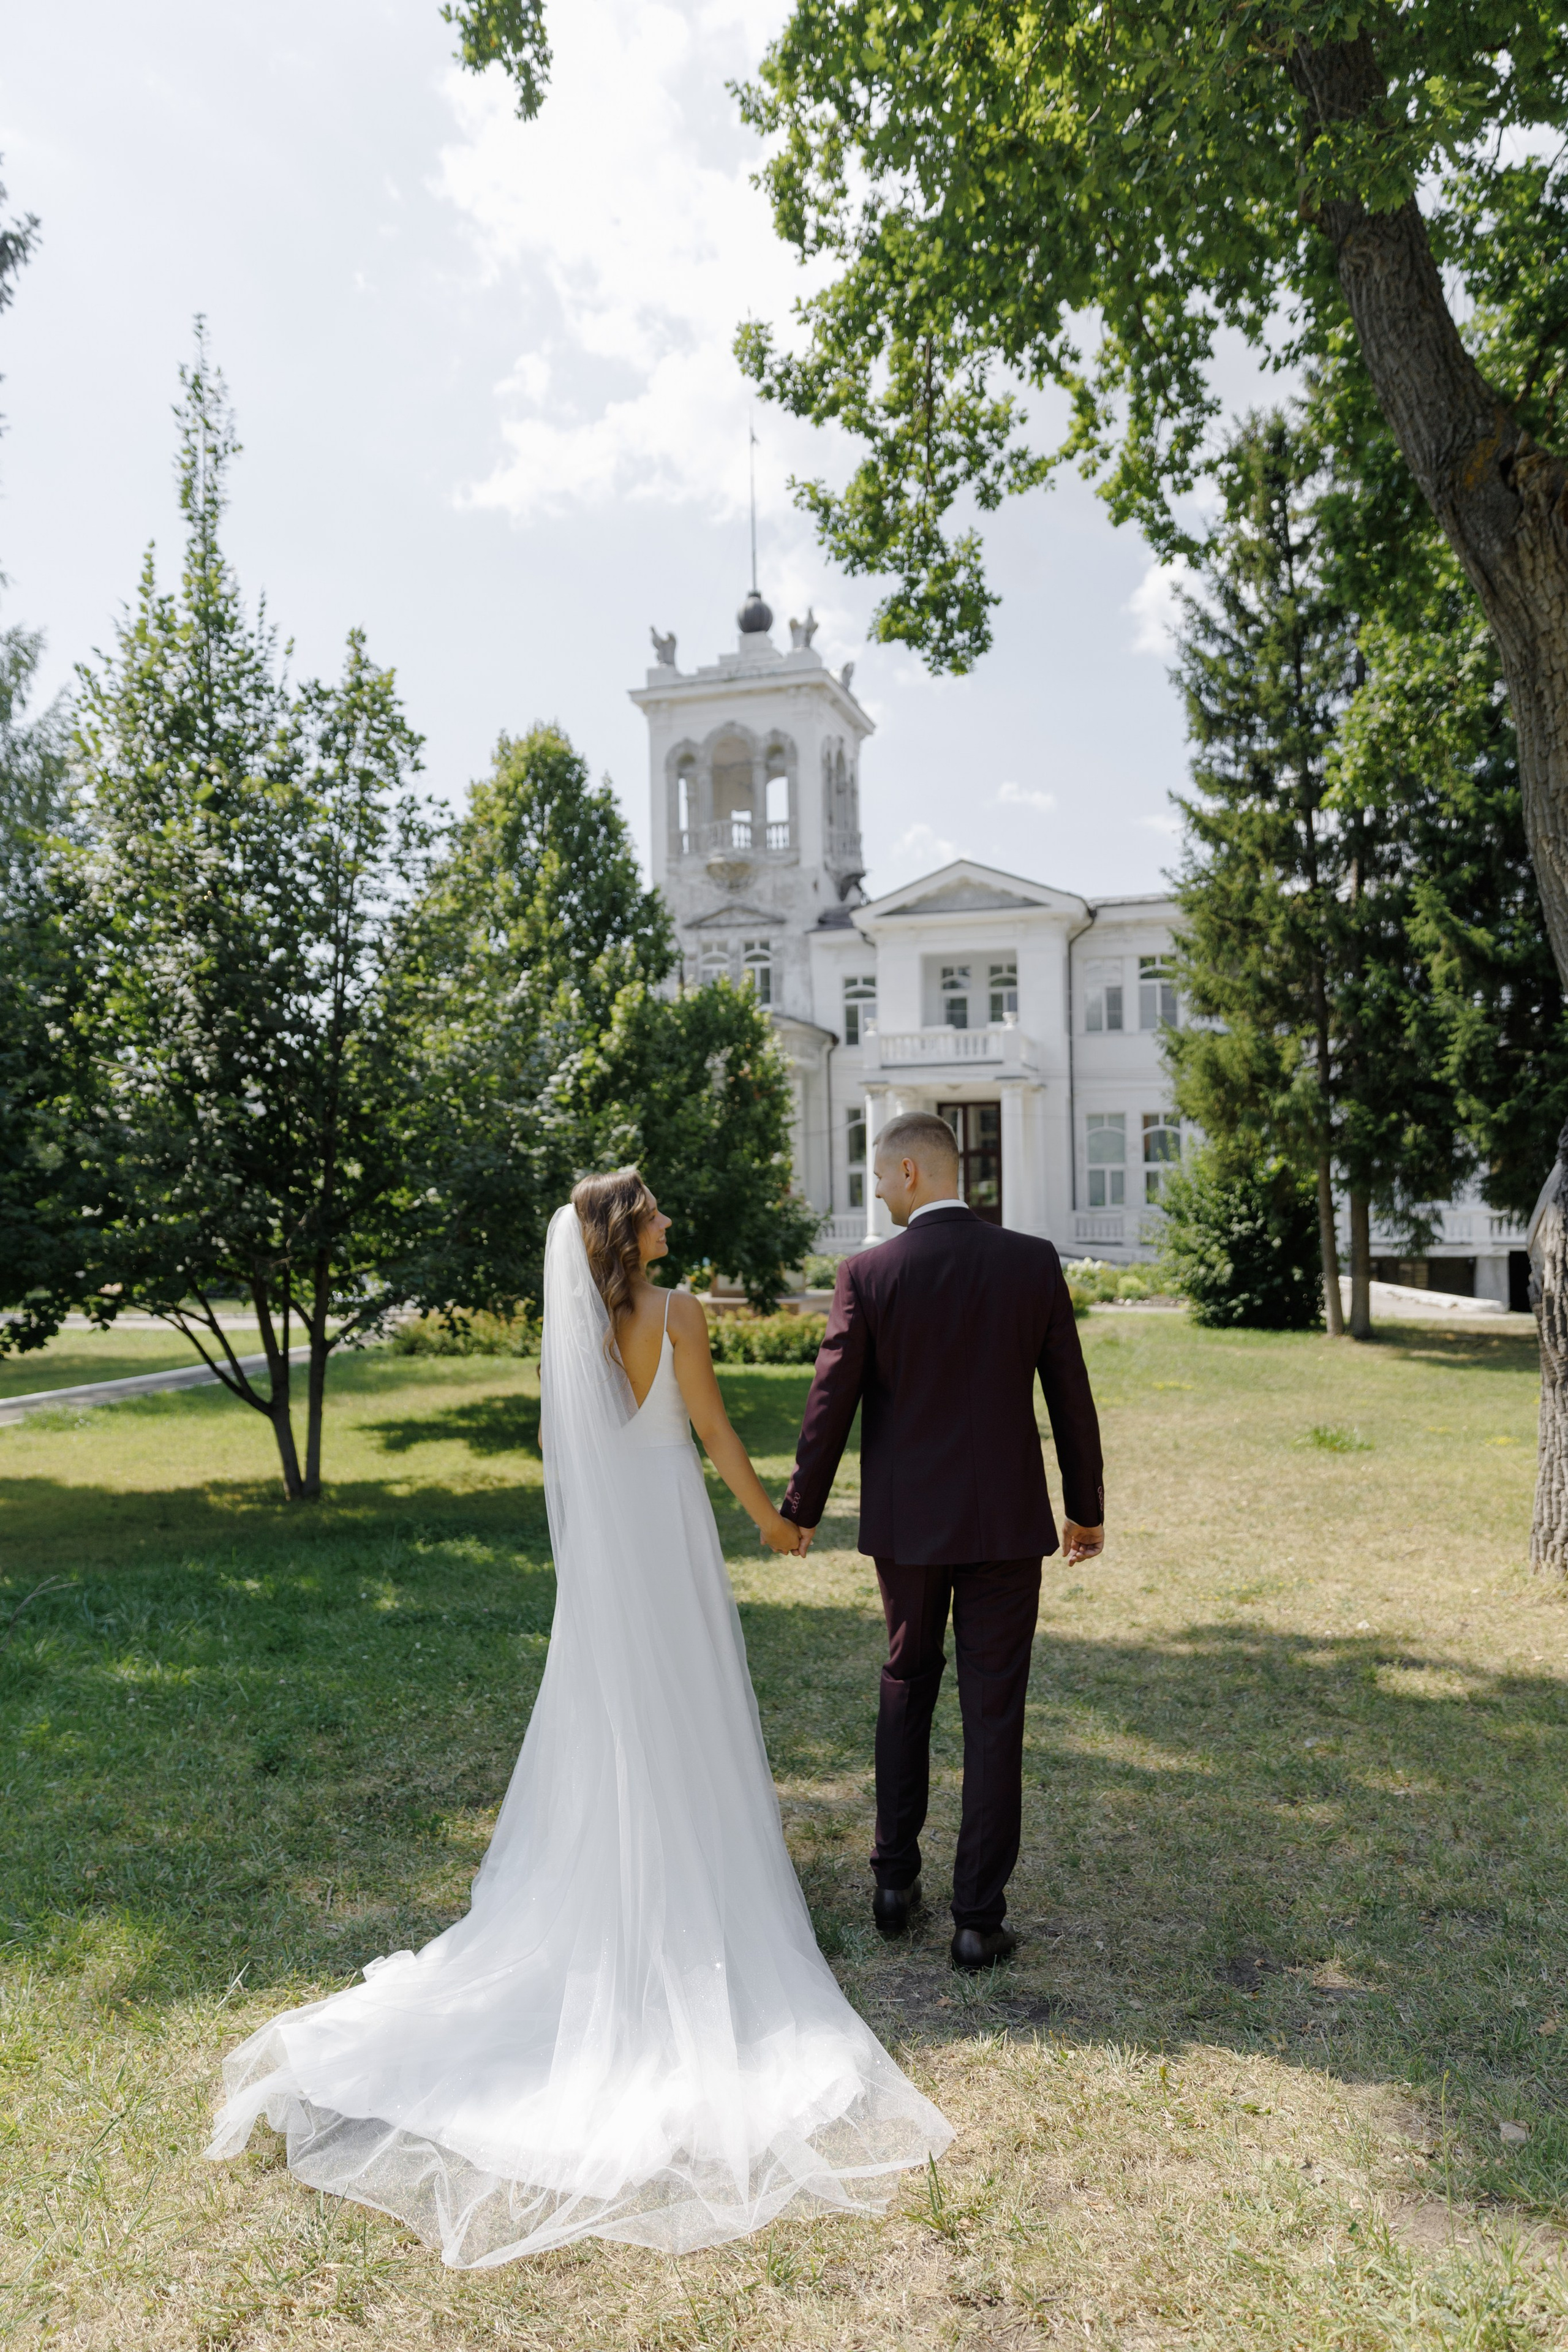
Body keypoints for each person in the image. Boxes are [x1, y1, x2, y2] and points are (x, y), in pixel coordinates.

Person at [205, 1169, 951, 2264]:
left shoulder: (579, 1331)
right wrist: (778, 1525)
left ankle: (634, 1869)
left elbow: (564, 1455)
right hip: (671, 1536)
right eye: (653, 1211)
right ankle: (695, 1885)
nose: (668, 1220)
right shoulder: (678, 1312)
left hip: (612, 1558)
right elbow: (709, 1431)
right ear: (624, 1231)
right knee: (691, 1706)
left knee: (620, 1722)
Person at [780, 1111, 1104, 1974]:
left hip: (908, 1530)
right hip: (1006, 1527)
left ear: (915, 1174)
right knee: (995, 1710)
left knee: (905, 1682)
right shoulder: (1030, 1262)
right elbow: (1070, 1394)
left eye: (881, 1177)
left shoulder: (868, 1273)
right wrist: (1086, 1507)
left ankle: (893, 1884)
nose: (878, 1190)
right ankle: (976, 1919)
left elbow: (830, 1400)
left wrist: (801, 1506)